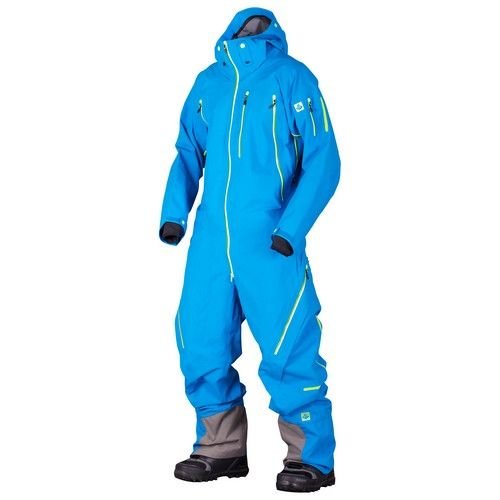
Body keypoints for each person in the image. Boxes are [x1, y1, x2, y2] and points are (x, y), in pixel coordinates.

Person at [159, 7, 341, 493]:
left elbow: (324, 159)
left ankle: (310, 456)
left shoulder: (293, 78)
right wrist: (174, 214)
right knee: (200, 339)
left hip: (270, 242)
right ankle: (220, 447)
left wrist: (291, 229)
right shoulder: (208, 83)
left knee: (288, 342)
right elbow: (187, 151)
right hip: (210, 245)